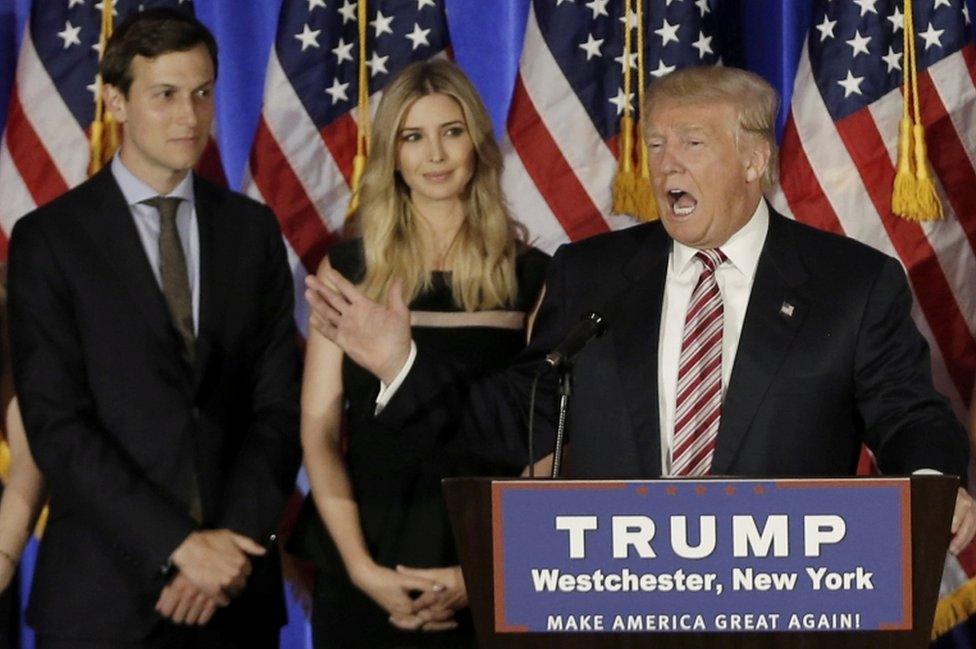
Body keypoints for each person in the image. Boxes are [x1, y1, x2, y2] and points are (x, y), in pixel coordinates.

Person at [307, 65, 976, 553]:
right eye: (655, 144)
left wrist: (926, 486)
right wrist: (401, 362)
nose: (663, 164)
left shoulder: (851, 284)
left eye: (691, 143)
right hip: (622, 612)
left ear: (754, 160)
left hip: (785, 608)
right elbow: (519, 420)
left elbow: (908, 412)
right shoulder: (594, 275)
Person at [7, 9, 301, 648]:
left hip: (235, 594)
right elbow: (57, 424)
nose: (189, 117)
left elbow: (278, 411)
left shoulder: (253, 233)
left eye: (201, 93)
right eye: (164, 95)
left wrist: (225, 551)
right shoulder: (49, 240)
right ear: (115, 100)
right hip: (101, 600)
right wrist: (179, 546)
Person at [292, 59, 548, 648]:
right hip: (365, 556)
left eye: (450, 132)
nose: (434, 155)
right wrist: (359, 567)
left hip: (485, 559)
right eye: (413, 136)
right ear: (392, 154)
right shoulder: (349, 270)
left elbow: (545, 445)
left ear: (476, 143)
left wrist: (486, 569)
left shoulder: (534, 276)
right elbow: (319, 429)